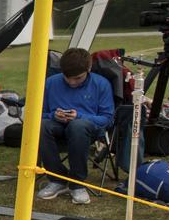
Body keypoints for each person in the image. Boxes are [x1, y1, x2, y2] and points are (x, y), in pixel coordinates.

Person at [37, 47, 114, 205]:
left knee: (77, 126)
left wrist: (79, 116)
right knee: (41, 125)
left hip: (88, 131)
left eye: (78, 78)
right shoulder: (50, 83)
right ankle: (57, 179)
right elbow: (37, 115)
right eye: (67, 77)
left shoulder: (101, 84)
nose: (72, 82)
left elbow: (107, 119)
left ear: (89, 69)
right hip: (57, 127)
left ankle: (77, 184)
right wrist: (53, 115)